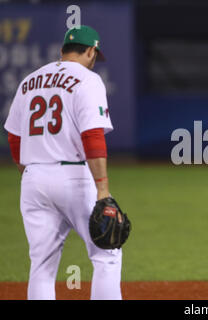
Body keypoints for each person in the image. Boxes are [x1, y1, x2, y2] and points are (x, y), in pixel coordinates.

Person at [4, 25, 123, 300]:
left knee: (42, 266)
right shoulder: (88, 79)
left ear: (62, 51)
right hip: (74, 177)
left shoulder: (30, 80)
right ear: (91, 51)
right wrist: (103, 190)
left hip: (34, 179)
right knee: (107, 253)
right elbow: (92, 136)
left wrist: (29, 174)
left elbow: (13, 137)